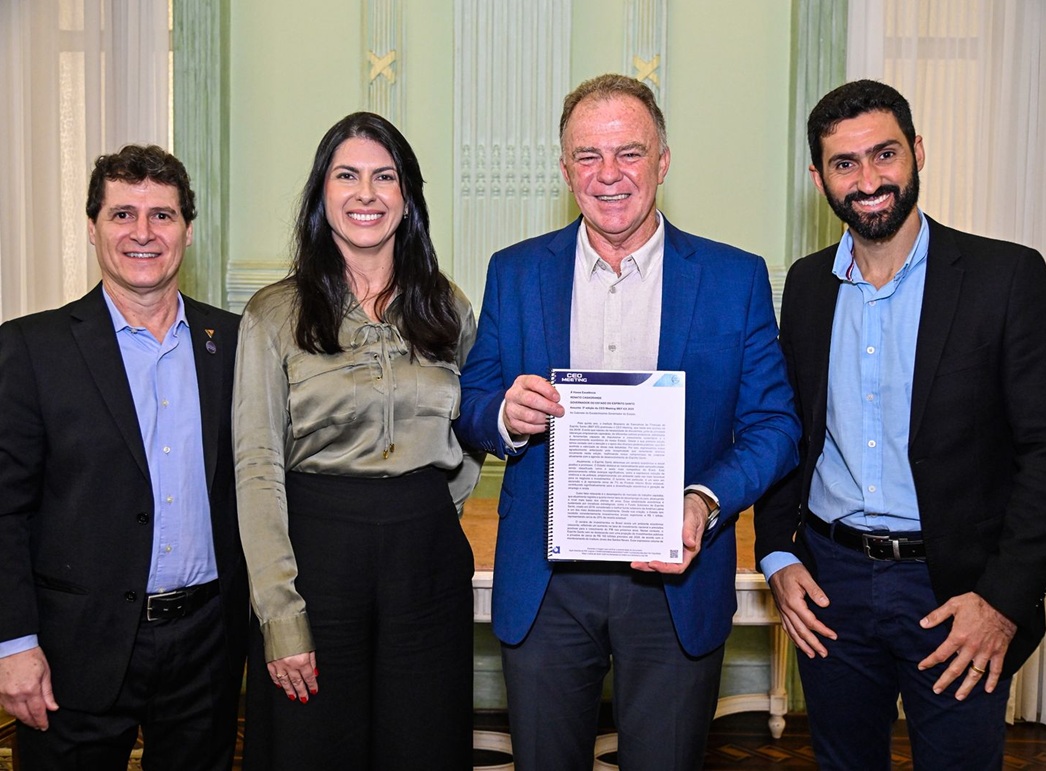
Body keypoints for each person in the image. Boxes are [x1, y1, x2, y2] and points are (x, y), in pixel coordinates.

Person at [455, 73, 800, 770]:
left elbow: (775, 426)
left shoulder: (734, 278)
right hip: (545, 582)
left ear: (663, 161)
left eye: (629, 153)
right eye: (588, 156)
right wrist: (504, 415)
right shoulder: (514, 272)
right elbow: (472, 402)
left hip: (675, 578)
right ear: (565, 169)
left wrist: (703, 501)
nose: (608, 174)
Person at [754, 79, 1046, 770]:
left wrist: (1003, 600)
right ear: (818, 177)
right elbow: (786, 427)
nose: (868, 181)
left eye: (884, 154)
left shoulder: (1005, 276)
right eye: (844, 163)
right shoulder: (806, 286)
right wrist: (776, 553)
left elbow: (1042, 450)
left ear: (916, 150)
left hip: (956, 592)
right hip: (831, 584)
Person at [234, 111, 482, 770]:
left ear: (408, 197)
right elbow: (256, 467)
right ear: (322, 194)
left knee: (423, 747)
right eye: (346, 176)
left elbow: (473, 425)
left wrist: (432, 507)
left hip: (427, 560)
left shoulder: (448, 306)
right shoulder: (273, 313)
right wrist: (279, 612)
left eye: (384, 177)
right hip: (317, 556)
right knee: (313, 748)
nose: (365, 193)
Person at [0, 144, 248, 770]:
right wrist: (12, 643)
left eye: (162, 215)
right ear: (93, 228)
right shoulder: (31, 349)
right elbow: (4, 511)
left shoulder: (236, 343)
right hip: (72, 650)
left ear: (188, 231)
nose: (143, 233)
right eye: (122, 214)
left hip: (207, 646)